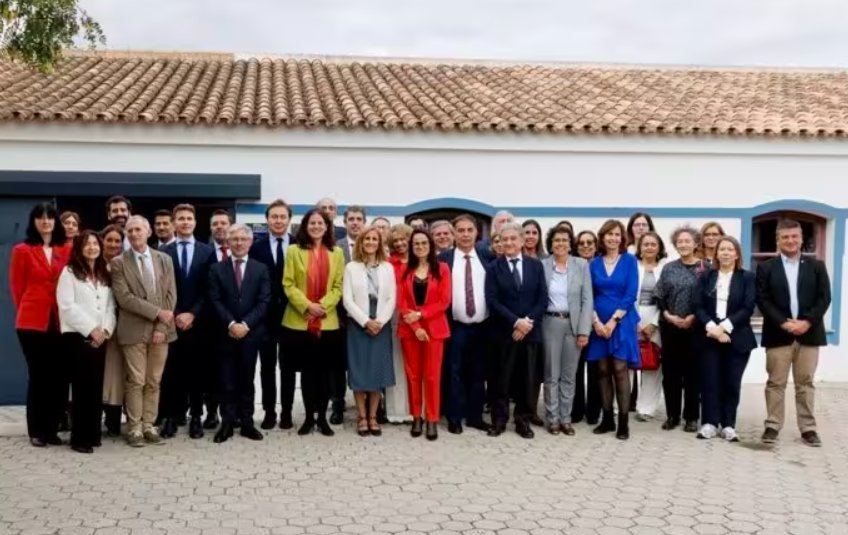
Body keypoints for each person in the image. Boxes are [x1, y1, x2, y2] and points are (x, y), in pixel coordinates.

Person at [757, 219, 831, 447]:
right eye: (785, 237)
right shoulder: (766, 267)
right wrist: (784, 323)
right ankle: (772, 425)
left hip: (809, 334)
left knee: (805, 383)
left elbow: (824, 298)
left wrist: (806, 322)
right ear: (778, 240)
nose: (790, 241)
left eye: (794, 236)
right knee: (775, 382)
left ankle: (808, 429)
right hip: (779, 334)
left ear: (801, 239)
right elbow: (762, 299)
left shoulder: (816, 266)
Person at [110, 215, 177, 447]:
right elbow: (124, 298)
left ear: (148, 232)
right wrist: (157, 313)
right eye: (130, 231)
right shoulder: (119, 263)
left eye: (138, 229)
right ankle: (134, 427)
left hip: (162, 332)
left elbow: (171, 295)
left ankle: (150, 425)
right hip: (132, 330)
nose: (134, 234)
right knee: (136, 380)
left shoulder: (164, 259)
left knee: (154, 380)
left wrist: (161, 325)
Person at [9, 202, 69, 447]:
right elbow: (17, 288)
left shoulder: (66, 248)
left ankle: (52, 430)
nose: (45, 222)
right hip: (32, 322)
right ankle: (36, 430)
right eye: (40, 217)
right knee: (39, 376)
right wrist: (29, 309)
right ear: (34, 222)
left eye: (50, 217)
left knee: (58, 377)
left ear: (56, 222)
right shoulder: (22, 250)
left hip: (60, 321)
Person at [283, 209, 345, 436]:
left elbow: (338, 286)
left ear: (327, 227)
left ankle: (322, 418)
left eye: (321, 223)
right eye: (312, 223)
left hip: (327, 323)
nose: (316, 226)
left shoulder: (337, 252)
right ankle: (309, 417)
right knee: (308, 373)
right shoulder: (293, 251)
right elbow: (288, 284)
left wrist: (322, 307)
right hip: (299, 322)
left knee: (325, 373)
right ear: (305, 226)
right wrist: (308, 306)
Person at [208, 224, 271, 443]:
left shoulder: (260, 269)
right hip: (225, 334)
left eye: (243, 239)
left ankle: (247, 422)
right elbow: (214, 300)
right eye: (234, 239)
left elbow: (264, 301)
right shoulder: (217, 269)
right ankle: (227, 423)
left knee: (247, 379)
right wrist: (231, 324)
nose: (239, 243)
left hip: (250, 334)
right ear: (228, 242)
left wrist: (245, 324)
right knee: (226, 381)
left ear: (250, 242)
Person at [485, 222, 547, 439]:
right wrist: (515, 322)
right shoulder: (494, 267)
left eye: (513, 239)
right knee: (501, 379)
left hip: (529, 333)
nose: (509, 243)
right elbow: (492, 301)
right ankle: (499, 420)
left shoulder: (535, 266)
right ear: (499, 243)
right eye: (505, 239)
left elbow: (542, 299)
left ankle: (522, 420)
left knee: (526, 379)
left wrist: (527, 323)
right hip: (503, 333)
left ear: (522, 241)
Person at [57, 231, 116, 454]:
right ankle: (80, 438)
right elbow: (67, 306)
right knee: (81, 389)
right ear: (79, 248)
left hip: (101, 338)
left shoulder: (103, 272)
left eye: (94, 243)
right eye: (87, 244)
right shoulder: (69, 272)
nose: (92, 247)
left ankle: (93, 434)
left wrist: (106, 329)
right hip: (78, 337)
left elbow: (111, 306)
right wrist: (91, 329)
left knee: (95, 388)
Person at [160, 204, 216, 439]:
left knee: (197, 373)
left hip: (198, 323)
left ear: (195, 223)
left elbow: (210, 289)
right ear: (174, 223)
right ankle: (171, 417)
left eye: (189, 218)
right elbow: (161, 290)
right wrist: (174, 314)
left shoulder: (207, 251)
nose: (184, 222)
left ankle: (196, 417)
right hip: (171, 321)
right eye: (180, 218)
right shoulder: (163, 252)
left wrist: (192, 313)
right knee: (172, 372)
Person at [694, 236, 756, 441]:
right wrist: (713, 328)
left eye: (730, 249)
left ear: (737, 254)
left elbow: (748, 307)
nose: (726, 253)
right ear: (716, 253)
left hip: (737, 337)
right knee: (709, 381)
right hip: (709, 336)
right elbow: (698, 305)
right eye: (722, 249)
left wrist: (724, 328)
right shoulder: (706, 277)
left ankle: (728, 424)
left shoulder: (746, 277)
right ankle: (710, 423)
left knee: (731, 382)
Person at [585, 219, 640, 440]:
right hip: (598, 322)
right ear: (603, 237)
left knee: (619, 368)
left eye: (617, 234)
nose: (613, 238)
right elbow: (588, 295)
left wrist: (613, 321)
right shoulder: (594, 264)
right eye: (609, 234)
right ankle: (607, 418)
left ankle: (624, 422)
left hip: (621, 321)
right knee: (602, 370)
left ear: (622, 238)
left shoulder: (629, 261)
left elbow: (630, 294)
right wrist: (596, 322)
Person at [398, 229, 451, 440]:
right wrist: (416, 326)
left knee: (431, 376)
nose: (420, 247)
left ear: (431, 245)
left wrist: (421, 314)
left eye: (424, 243)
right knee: (413, 376)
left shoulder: (443, 269)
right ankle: (416, 418)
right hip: (411, 330)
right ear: (412, 247)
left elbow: (444, 301)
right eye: (416, 244)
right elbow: (401, 302)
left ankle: (431, 419)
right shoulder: (404, 270)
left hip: (435, 330)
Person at [343, 226, 396, 437]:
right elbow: (347, 299)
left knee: (376, 371)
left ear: (379, 243)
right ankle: (361, 417)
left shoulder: (387, 267)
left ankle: (373, 417)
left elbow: (392, 298)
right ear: (361, 242)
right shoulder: (351, 267)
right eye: (367, 239)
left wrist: (380, 321)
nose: (371, 242)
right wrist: (366, 321)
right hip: (358, 323)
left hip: (381, 322)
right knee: (359, 371)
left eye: (375, 239)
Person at [440, 215, 491, 434]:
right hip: (455, 325)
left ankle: (475, 417)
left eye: (470, 230)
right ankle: (454, 417)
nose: (465, 234)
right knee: (454, 372)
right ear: (453, 233)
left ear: (476, 233)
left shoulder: (487, 257)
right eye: (460, 230)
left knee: (478, 373)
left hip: (482, 326)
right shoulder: (444, 259)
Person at [248, 199, 295, 430]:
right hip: (264, 318)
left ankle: (286, 411)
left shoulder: (298, 246)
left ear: (289, 219)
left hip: (292, 316)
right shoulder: (256, 247)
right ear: (267, 220)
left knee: (287, 367)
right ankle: (268, 411)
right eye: (274, 216)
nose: (278, 220)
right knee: (266, 367)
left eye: (282, 216)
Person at [541, 225, 593, 435]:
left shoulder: (580, 265)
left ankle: (566, 418)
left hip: (573, 324)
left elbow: (587, 299)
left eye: (564, 240)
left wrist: (584, 330)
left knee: (569, 375)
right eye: (556, 240)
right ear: (550, 244)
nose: (560, 243)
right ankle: (552, 418)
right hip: (550, 323)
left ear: (570, 244)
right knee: (551, 374)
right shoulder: (542, 265)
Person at [654, 225, 706, 433]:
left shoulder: (706, 268)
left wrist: (693, 317)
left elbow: (708, 299)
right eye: (680, 242)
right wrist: (668, 315)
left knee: (693, 375)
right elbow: (659, 296)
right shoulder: (668, 268)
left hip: (696, 328)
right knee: (671, 374)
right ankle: (672, 415)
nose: (683, 245)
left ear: (695, 244)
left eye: (687, 241)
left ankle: (691, 417)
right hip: (671, 327)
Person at [331, 204, 368, 424]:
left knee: (366, 360)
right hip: (340, 316)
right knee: (338, 363)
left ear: (364, 222)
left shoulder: (374, 246)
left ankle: (374, 403)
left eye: (358, 219)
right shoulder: (336, 248)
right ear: (344, 223)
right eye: (351, 219)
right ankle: (337, 403)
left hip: (368, 317)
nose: (355, 222)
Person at [634, 231, 667, 421]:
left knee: (652, 364)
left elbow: (666, 299)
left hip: (656, 318)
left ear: (659, 248)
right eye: (645, 244)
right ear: (640, 247)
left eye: (653, 244)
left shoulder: (664, 269)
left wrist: (653, 323)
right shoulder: (632, 266)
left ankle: (646, 408)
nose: (649, 247)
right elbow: (628, 294)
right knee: (629, 363)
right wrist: (635, 322)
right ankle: (618, 405)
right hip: (633, 317)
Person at [572, 230, 602, 424]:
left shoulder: (600, 265)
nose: (586, 246)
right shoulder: (572, 265)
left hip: (599, 324)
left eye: (590, 242)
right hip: (577, 323)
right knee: (575, 368)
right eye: (581, 243)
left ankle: (593, 411)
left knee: (595, 370)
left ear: (596, 245)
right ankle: (575, 410)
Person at [385, 224, 414, 423]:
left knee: (414, 365)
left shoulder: (420, 261)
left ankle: (416, 408)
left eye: (403, 239)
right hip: (395, 315)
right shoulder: (388, 264)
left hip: (418, 316)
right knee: (396, 362)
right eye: (396, 241)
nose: (400, 243)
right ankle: (397, 411)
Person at [100, 225, 126, 437]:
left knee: (115, 376)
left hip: (118, 328)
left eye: (118, 241)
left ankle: (113, 419)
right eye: (109, 240)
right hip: (94, 328)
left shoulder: (125, 265)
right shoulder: (93, 264)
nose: (114, 245)